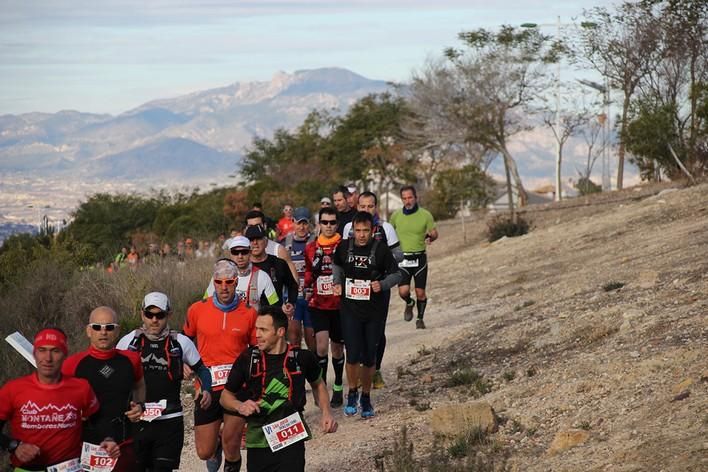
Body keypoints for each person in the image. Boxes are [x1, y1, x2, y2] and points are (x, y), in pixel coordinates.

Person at [220, 306, 337, 472]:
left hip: (291, 438)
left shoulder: (301, 358)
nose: (257, 335)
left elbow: (318, 384)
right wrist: (240, 406)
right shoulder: (248, 359)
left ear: (280, 331)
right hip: (258, 441)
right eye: (256, 329)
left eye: (263, 330)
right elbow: (225, 396)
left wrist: (326, 412)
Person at [117, 292, 213, 472]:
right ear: (141, 315)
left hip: (170, 421)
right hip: (138, 421)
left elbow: (202, 370)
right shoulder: (129, 342)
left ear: (169, 315)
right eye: (149, 315)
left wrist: (206, 389)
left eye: (160, 315)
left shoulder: (180, 342)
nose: (154, 320)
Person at [0, 328, 120, 470]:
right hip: (27, 468)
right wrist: (14, 446)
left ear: (65, 355)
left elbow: (98, 421)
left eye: (55, 351)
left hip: (69, 467)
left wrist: (108, 439)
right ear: (35, 353)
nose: (48, 358)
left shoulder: (81, 387)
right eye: (42, 350)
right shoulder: (13, 389)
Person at [183, 259, 259, 472]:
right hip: (207, 386)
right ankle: (214, 444)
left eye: (229, 282)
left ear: (236, 282)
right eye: (219, 282)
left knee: (232, 443)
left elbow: (255, 350)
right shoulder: (197, 310)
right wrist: (184, 363)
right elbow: (184, 341)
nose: (224, 287)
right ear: (213, 283)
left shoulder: (249, 313)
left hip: (236, 387)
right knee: (204, 451)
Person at [333, 212, 401, 418]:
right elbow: (337, 264)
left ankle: (366, 397)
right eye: (358, 231)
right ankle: (352, 392)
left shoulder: (380, 249)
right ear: (353, 230)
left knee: (369, 357)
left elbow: (397, 274)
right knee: (352, 355)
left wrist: (383, 284)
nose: (361, 235)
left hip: (374, 310)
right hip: (350, 309)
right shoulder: (344, 247)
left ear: (373, 230)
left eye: (365, 231)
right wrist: (337, 282)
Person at [62, 306, 146, 472]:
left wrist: (139, 405)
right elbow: (56, 399)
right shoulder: (72, 364)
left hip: (124, 442)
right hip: (87, 447)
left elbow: (140, 385)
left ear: (117, 331)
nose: (103, 332)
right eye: (97, 327)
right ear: (88, 330)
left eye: (109, 327)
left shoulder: (132, 359)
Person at [342, 191, 403, 389]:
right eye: (362, 206)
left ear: (375, 207)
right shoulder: (348, 228)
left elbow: (399, 255)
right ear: (356, 207)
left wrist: (380, 261)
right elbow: (342, 256)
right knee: (356, 331)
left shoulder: (385, 228)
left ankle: (375, 371)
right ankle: (360, 372)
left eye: (370, 206)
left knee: (377, 331)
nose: (366, 210)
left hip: (378, 288)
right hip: (353, 289)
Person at [303, 206, 346, 407]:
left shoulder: (344, 245)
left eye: (332, 222)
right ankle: (322, 389)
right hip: (318, 304)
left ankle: (338, 386)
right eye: (325, 222)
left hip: (339, 306)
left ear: (337, 224)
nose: (328, 226)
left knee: (337, 348)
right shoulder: (311, 248)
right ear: (319, 224)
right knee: (320, 347)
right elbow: (309, 277)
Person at [389, 185, 438, 329]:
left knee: (420, 292)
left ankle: (420, 319)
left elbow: (434, 232)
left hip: (419, 258)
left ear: (416, 198)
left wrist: (430, 237)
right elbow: (389, 232)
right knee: (403, 291)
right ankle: (410, 303)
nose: (407, 201)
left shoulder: (425, 215)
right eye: (404, 198)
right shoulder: (396, 215)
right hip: (402, 258)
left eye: (410, 197)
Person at [246, 225, 298, 320]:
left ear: (266, 242)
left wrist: (290, 303)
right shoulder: (243, 267)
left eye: (258, 239)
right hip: (249, 318)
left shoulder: (279, 263)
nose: (255, 243)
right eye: (251, 239)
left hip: (275, 318)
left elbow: (293, 286)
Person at [283, 207, 316, 350]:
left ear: (309, 224)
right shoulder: (285, 242)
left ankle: (315, 369)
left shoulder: (315, 241)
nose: (301, 227)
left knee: (311, 338)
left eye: (305, 223)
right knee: (294, 338)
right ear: (293, 223)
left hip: (311, 297)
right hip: (293, 297)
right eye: (298, 223)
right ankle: (296, 369)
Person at [245, 210, 299, 283]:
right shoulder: (241, 251)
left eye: (258, 225)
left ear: (265, 226)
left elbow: (294, 280)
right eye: (251, 226)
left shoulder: (278, 250)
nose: (255, 229)